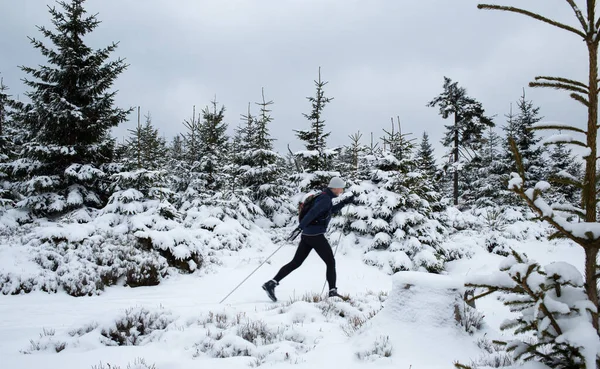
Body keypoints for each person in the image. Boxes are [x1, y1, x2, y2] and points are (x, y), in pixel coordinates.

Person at [262, 176, 355, 302]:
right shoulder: (325, 199)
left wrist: (344, 202)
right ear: (336, 188)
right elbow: (312, 213)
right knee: (330, 262)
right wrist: (299, 227)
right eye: (341, 189)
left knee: (296, 262)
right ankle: (332, 292)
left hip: (308, 235)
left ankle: (271, 283)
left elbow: (329, 210)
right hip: (315, 236)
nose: (342, 191)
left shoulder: (324, 197)